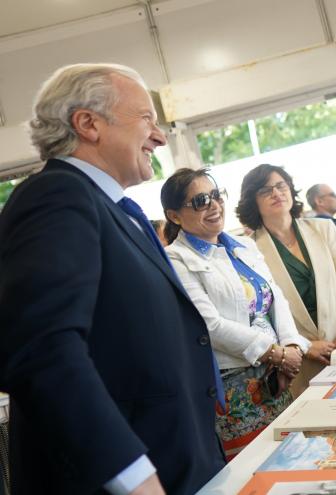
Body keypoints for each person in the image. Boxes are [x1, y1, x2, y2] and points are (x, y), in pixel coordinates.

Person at [0, 63, 224, 493]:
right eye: (147, 120)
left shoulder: (117, 210)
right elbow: (42, 350)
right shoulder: (56, 195)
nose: (159, 136)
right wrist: (133, 476)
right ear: (88, 124)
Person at [161, 168, 310, 460]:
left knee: (295, 458)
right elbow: (210, 325)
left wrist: (292, 348)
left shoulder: (243, 246)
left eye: (216, 196)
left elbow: (275, 297)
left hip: (276, 377)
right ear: (175, 216)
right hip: (235, 386)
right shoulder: (175, 259)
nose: (214, 205)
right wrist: (276, 353)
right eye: (201, 200)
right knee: (255, 470)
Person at [237, 164, 336, 397]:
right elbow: (261, 313)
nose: (276, 193)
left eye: (281, 186)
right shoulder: (249, 250)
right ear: (252, 201)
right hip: (299, 359)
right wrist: (304, 345)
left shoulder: (324, 228)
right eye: (266, 191)